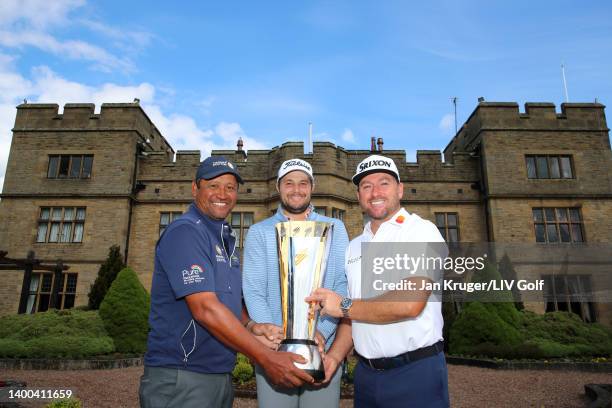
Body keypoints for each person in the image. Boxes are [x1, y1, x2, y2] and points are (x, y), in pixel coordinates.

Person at [139, 156, 313, 408]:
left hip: (218, 373)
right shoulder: (186, 232)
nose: (222, 193)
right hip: (182, 374)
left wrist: (252, 325)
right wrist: (265, 357)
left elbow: (226, 300)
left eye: (230, 187)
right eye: (213, 185)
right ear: (195, 188)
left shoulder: (224, 238)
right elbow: (205, 308)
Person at [307, 154, 450, 408]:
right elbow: (354, 316)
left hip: (416, 373)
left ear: (400, 189)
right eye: (366, 186)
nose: (375, 192)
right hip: (367, 377)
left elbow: (410, 303)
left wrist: (342, 305)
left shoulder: (421, 231)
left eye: (384, 183)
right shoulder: (354, 247)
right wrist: (335, 356)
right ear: (359, 196)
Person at [243, 158, 349, 408]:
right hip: (275, 351)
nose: (296, 189)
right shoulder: (260, 232)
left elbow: (342, 286)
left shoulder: (336, 228)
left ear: (312, 187)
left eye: (303, 183)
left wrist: (321, 332)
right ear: (279, 187)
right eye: (288, 183)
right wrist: (275, 336)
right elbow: (254, 290)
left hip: (323, 350)